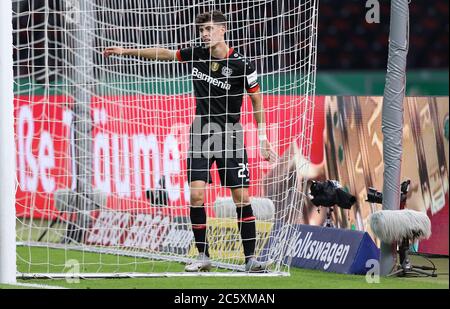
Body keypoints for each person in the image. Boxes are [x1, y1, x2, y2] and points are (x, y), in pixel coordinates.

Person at [103, 10, 277, 272]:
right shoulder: (196, 54)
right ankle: (203, 256)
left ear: (223, 29)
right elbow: (163, 53)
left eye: (209, 29)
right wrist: (126, 51)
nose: (204, 34)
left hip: (230, 135)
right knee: (196, 195)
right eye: (201, 30)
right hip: (201, 134)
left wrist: (263, 138)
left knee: (241, 197)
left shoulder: (242, 64)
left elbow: (257, 101)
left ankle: (250, 259)